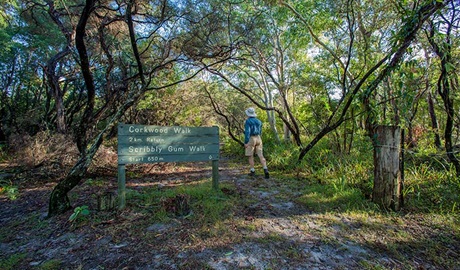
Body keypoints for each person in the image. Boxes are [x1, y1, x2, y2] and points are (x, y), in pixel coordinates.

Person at [244, 107, 269, 179]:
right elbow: (260, 131)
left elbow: (247, 132)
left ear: (248, 114)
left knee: (250, 155)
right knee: (261, 155)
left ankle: (252, 171)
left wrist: (246, 142)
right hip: (258, 138)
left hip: (251, 138)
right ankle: (265, 169)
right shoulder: (259, 121)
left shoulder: (248, 121)